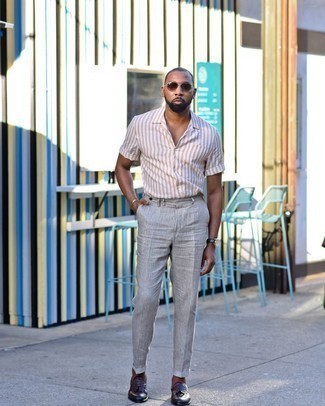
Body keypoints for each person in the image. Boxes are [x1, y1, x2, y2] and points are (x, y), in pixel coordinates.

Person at [115, 67, 225, 405]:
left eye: (185, 86)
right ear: (163, 90)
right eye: (173, 85)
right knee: (146, 297)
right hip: (155, 215)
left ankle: (179, 378)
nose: (179, 91)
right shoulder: (141, 125)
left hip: (193, 216)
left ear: (194, 93)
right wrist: (135, 203)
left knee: (187, 303)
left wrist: (212, 241)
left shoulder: (209, 134)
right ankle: (138, 372)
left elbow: (216, 191)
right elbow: (121, 166)